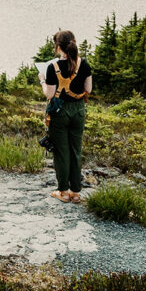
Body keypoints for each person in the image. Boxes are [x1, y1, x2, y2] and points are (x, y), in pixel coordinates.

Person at [41, 29, 92, 203]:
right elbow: (89, 89)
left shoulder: (52, 67)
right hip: (78, 110)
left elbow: (49, 94)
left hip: (59, 112)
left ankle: (63, 192)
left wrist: (42, 80)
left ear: (57, 47)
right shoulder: (83, 64)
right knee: (75, 150)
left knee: (61, 152)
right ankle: (76, 193)